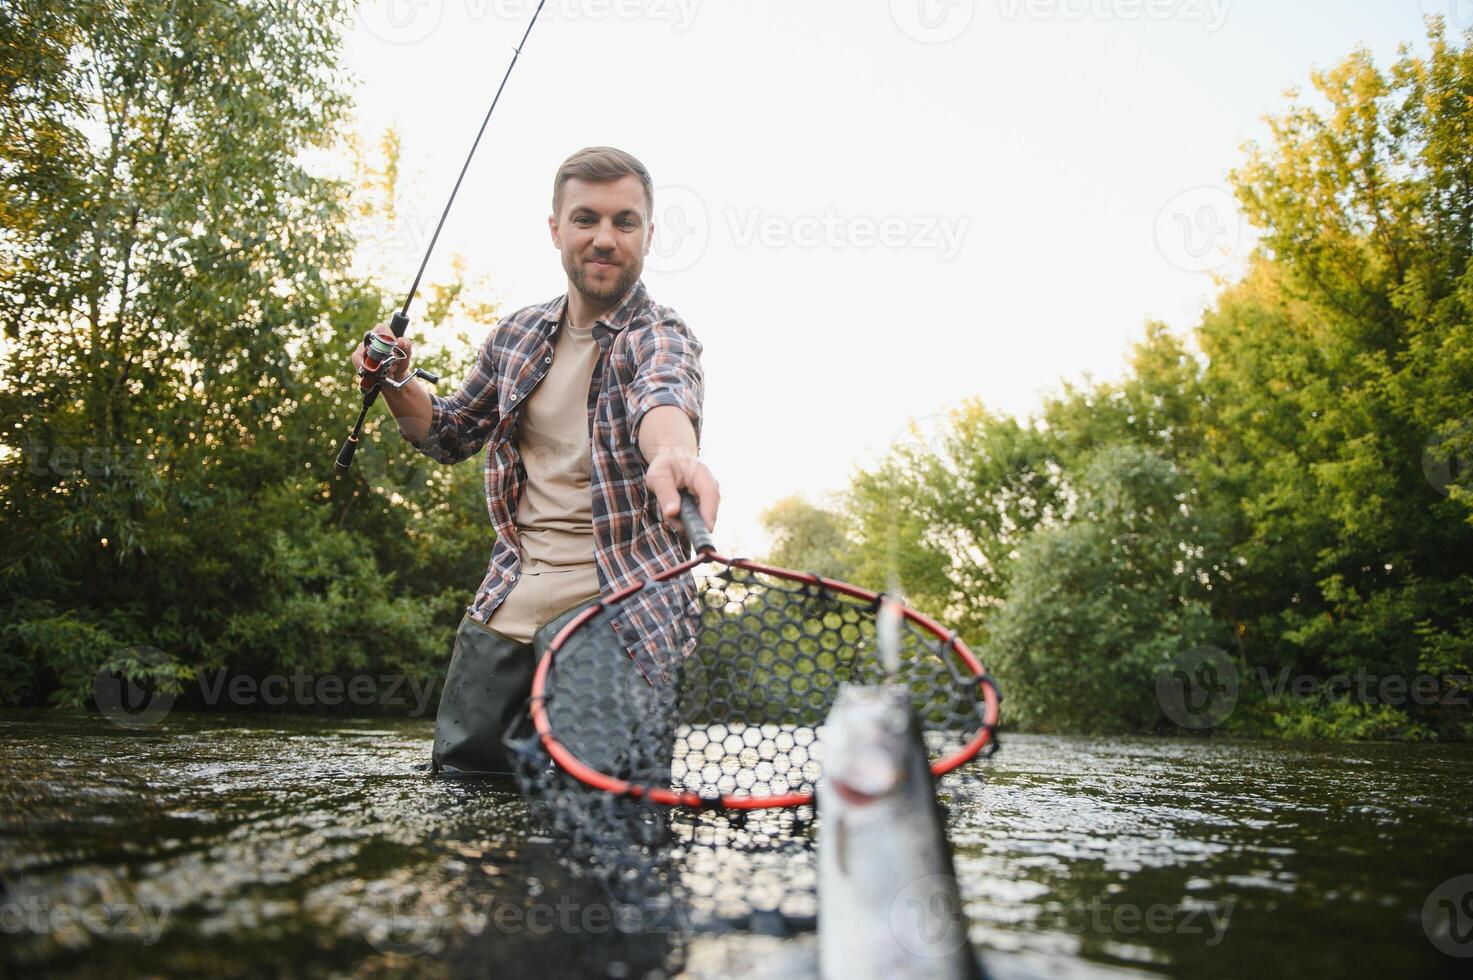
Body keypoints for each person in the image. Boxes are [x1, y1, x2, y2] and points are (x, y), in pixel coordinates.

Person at [351, 146, 719, 776]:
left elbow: (666, 396)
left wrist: (675, 455)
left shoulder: (661, 335)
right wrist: (392, 381)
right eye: (586, 219)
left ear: (648, 236)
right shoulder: (515, 335)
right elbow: (445, 434)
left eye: (624, 222)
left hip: (620, 609)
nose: (604, 239)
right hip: (509, 597)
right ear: (556, 230)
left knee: (602, 809)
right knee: (464, 786)